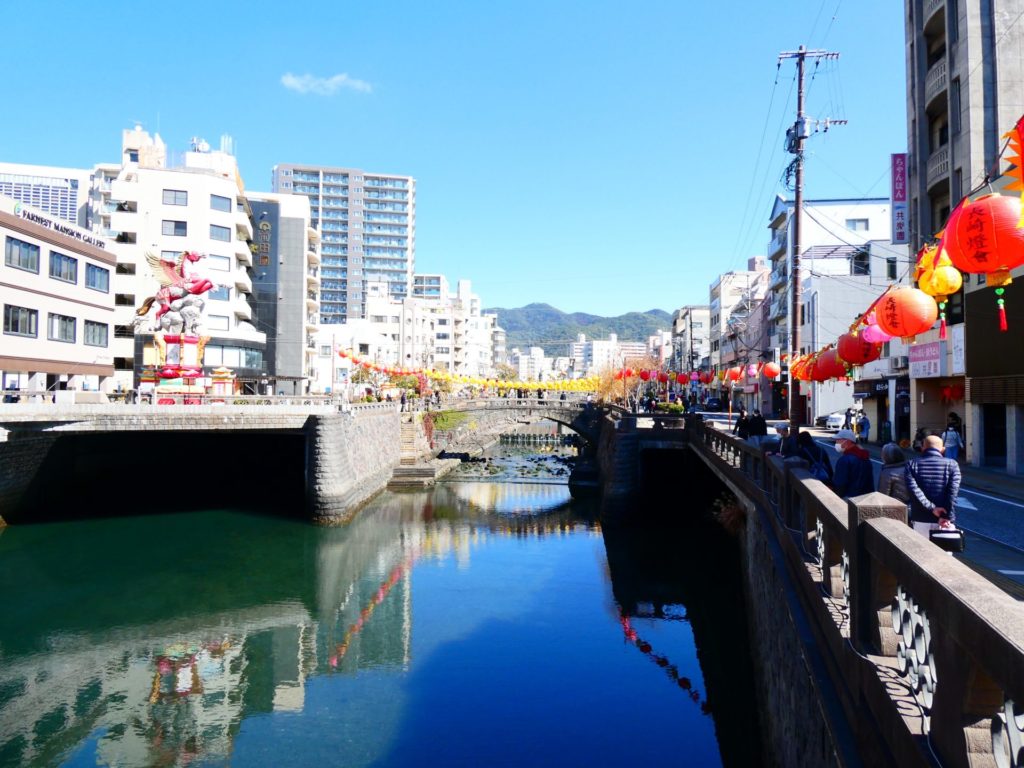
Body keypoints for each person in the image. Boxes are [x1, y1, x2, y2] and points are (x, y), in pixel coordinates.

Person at [905, 435, 961, 538]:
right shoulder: (952, 465)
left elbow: (914, 491)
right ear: (943, 449)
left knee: (920, 551)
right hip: (943, 521)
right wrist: (947, 516)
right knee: (943, 553)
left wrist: (932, 508)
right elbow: (952, 494)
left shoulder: (911, 464)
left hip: (920, 519)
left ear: (923, 448)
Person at [832, 428, 875, 497]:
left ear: (847, 442)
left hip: (849, 500)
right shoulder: (866, 458)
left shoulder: (844, 460)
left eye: (838, 441)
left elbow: (840, 484)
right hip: (866, 499)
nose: (836, 443)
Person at [877, 442, 910, 510]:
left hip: (894, 509)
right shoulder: (909, 468)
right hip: (910, 507)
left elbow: (882, 496)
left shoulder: (887, 472)